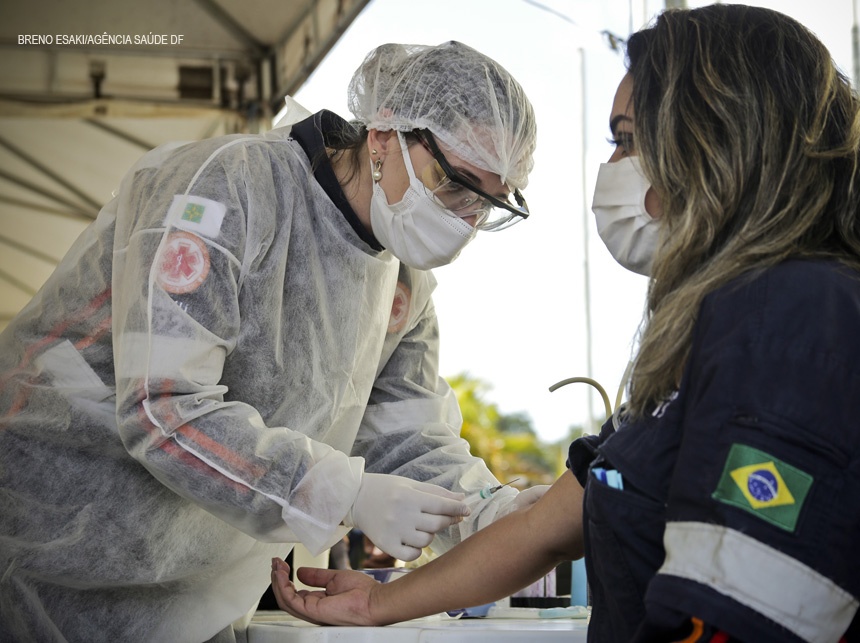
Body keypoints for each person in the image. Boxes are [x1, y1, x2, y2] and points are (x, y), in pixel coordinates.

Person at [269, 6, 860, 642]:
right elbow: (555, 523)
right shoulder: (711, 330)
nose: (615, 167)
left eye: (628, 139)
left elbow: (744, 618)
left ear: (718, 141)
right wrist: (378, 604)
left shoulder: (794, 315)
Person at [0, 40, 542, 642]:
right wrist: (345, 492)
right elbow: (163, 406)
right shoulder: (227, 188)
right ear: (384, 136)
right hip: (44, 547)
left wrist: (493, 512)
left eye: (485, 205)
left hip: (193, 596)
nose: (461, 220)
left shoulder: (405, 288)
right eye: (453, 184)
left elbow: (406, 439)